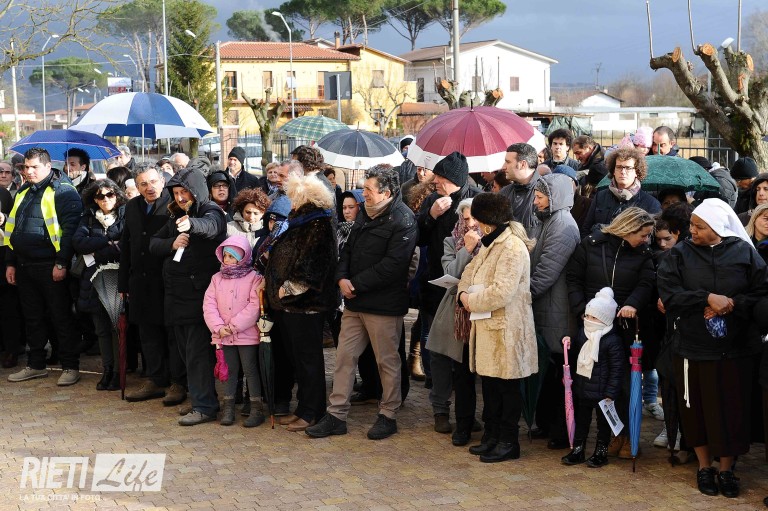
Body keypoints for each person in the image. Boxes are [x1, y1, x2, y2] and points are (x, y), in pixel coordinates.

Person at [657, 199, 767, 498]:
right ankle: (704, 466)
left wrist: (731, 304)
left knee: (731, 410)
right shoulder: (680, 254)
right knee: (696, 410)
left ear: (717, 228)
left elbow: (761, 290)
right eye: (692, 225)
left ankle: (727, 469)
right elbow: (669, 294)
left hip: (736, 348)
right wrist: (706, 298)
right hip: (693, 347)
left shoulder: (743, 252)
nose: (691, 230)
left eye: (699, 226)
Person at [307, 166, 416, 440]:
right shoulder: (365, 212)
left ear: (386, 193)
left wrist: (354, 284)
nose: (363, 194)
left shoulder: (404, 219)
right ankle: (336, 415)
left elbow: (394, 265)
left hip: (383, 305)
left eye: (368, 189)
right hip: (355, 303)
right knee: (344, 358)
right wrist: (341, 277)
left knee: (387, 362)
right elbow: (348, 249)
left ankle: (388, 414)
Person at [566, 207, 656, 458]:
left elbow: (646, 283)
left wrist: (633, 304)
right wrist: (581, 310)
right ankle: (605, 436)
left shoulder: (644, 253)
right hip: (591, 326)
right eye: (643, 234)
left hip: (623, 327)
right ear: (628, 229)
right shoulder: (591, 245)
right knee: (592, 381)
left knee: (623, 383)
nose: (647, 240)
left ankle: (625, 434)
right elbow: (573, 279)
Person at [457, 193, 538, 463]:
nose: (474, 225)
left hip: (507, 330)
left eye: (477, 220)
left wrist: (470, 301)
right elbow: (469, 273)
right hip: (488, 326)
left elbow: (502, 291)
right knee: (491, 386)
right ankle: (492, 436)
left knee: (507, 388)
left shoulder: (512, 247)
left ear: (487, 222)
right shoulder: (491, 244)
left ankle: (508, 441)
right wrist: (463, 293)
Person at [150, 166, 227, 426]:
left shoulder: (210, 210)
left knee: (197, 355)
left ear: (196, 190)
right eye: (176, 193)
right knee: (185, 353)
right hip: (176, 296)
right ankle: (199, 400)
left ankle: (205, 406)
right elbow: (154, 243)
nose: (180, 197)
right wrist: (171, 244)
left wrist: (192, 224)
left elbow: (211, 226)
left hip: (198, 297)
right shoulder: (175, 214)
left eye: (184, 192)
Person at [264, 175, 337, 432]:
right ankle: (303, 409)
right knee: (299, 360)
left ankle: (312, 412)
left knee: (309, 361)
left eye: (293, 196)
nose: (290, 201)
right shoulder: (301, 221)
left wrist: (287, 288)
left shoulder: (317, 223)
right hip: (290, 305)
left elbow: (313, 266)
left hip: (306, 305)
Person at [5, 148, 83, 386]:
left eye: (34, 167)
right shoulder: (24, 191)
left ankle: (70, 366)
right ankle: (36, 364)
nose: (28, 171)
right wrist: (10, 262)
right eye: (26, 167)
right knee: (33, 318)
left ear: (48, 167)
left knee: (60, 317)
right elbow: (13, 229)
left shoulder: (63, 191)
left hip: (50, 264)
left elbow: (70, 231)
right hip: (25, 264)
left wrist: (61, 262)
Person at [120, 166, 186, 406]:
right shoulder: (132, 206)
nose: (150, 187)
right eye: (143, 184)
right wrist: (123, 282)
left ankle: (178, 382)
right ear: (136, 187)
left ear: (162, 181)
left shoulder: (175, 205)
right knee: (147, 334)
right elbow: (126, 244)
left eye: (153, 181)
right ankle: (156, 379)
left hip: (166, 279)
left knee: (172, 334)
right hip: (140, 281)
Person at [416, 152, 481, 388]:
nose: (434, 181)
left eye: (439, 178)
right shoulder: (432, 200)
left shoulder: (477, 199)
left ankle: (459, 380)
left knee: (462, 338)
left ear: (453, 179)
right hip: (436, 279)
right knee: (432, 333)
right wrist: (430, 215)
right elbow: (419, 238)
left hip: (469, 285)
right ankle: (434, 378)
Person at [529, 174, 581, 449]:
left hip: (558, 311)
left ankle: (560, 430)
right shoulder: (548, 221)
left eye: (540, 197)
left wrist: (524, 294)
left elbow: (546, 271)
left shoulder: (562, 225)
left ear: (554, 197)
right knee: (549, 374)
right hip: (548, 308)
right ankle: (547, 424)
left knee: (561, 374)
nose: (536, 202)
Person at [426, 198, 482, 445]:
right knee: (441, 356)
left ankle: (467, 415)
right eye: (466, 219)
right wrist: (466, 250)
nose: (470, 224)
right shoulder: (452, 241)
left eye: (475, 218)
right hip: (454, 308)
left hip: (480, 308)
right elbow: (450, 272)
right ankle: (440, 410)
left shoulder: (491, 241)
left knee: (469, 367)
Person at [203, 235, 265, 427]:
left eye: (232, 256)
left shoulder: (254, 278)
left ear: (242, 257)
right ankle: (228, 407)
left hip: (246, 335)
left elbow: (254, 306)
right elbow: (209, 304)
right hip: (224, 335)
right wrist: (218, 327)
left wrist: (233, 326)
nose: (227, 260)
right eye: (225, 256)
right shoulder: (216, 278)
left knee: (250, 370)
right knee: (229, 371)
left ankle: (256, 408)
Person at [561, 287, 625, 468]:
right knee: (582, 420)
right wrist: (567, 342)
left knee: (603, 424)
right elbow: (575, 354)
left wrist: (611, 392)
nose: (588, 320)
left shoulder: (612, 341)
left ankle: (601, 451)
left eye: (594, 317)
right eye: (587, 316)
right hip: (583, 387)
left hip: (603, 393)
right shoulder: (583, 334)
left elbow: (617, 369)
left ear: (605, 319)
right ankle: (578, 449)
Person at [72, 179, 126, 390]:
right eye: (100, 196)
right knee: (101, 329)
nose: (105, 199)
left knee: (116, 328)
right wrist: (109, 242)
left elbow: (125, 245)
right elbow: (79, 243)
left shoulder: (125, 216)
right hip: (93, 280)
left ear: (117, 195)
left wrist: (96, 251)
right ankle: (107, 370)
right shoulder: (87, 218)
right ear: (94, 199)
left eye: (110, 194)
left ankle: (118, 372)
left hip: (116, 278)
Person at [581, 146, 661, 236]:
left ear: (637, 172)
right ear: (613, 171)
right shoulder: (600, 197)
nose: (623, 171)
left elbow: (652, 237)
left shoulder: (651, 204)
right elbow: (586, 229)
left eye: (628, 168)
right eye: (619, 167)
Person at [498, 142, 541, 235]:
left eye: (508, 162)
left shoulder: (545, 194)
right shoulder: (503, 193)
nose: (503, 167)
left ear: (522, 164)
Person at [552, 165, 591, 233]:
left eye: (568, 181)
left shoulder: (588, 204)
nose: (564, 185)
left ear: (576, 185)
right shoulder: (546, 204)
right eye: (559, 181)